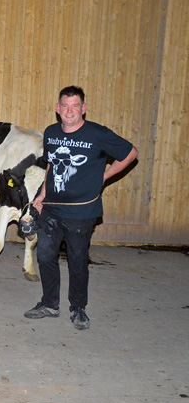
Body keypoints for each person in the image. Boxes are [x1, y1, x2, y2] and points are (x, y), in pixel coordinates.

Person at [24, 86, 138, 331]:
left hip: (81, 213)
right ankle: (50, 304)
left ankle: (78, 308)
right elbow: (51, 166)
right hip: (52, 209)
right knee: (45, 256)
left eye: (75, 106)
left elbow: (131, 153)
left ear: (83, 108)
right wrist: (42, 195)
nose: (69, 111)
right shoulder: (51, 132)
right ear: (57, 108)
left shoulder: (97, 134)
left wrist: (103, 177)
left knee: (77, 260)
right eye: (65, 106)